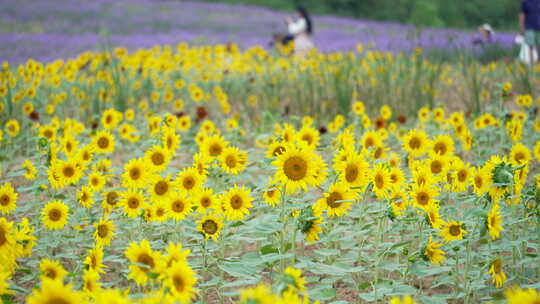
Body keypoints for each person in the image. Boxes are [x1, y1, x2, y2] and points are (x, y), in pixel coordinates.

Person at [520, 0, 540, 64]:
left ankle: (538, 61)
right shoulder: (525, 2)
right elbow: (522, 15)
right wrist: (522, 27)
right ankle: (532, 64)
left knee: (538, 45)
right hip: (529, 27)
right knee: (530, 46)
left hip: (538, 27)